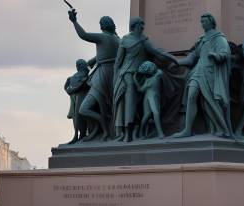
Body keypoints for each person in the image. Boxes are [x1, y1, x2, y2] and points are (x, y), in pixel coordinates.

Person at [113, 17, 177, 142]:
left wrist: (173, 58)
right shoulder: (125, 40)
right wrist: (115, 78)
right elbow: (118, 61)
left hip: (141, 75)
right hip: (126, 73)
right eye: (140, 24)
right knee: (130, 90)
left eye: (143, 24)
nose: (143, 27)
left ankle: (135, 129)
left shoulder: (143, 40)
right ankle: (127, 131)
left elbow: (156, 52)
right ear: (134, 26)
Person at [173, 13, 232, 138]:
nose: (202, 24)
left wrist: (216, 56)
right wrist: (176, 62)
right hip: (198, 71)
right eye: (201, 21)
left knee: (212, 102)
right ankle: (187, 129)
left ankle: (220, 127)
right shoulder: (201, 39)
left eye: (204, 21)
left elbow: (225, 53)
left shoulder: (218, 38)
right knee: (191, 95)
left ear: (211, 22)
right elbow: (191, 58)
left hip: (210, 73)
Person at [68, 11, 120, 141]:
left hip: (102, 76)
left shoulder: (103, 37)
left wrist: (74, 21)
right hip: (113, 75)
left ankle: (104, 129)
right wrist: (90, 62)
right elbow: (104, 55)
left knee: (84, 109)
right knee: (106, 107)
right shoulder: (117, 40)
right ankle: (104, 131)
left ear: (102, 26)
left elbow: (83, 35)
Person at [135, 61, 165, 139]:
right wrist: (135, 79)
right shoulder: (149, 79)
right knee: (151, 114)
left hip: (152, 96)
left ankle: (158, 132)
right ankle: (158, 133)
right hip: (150, 97)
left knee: (152, 114)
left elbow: (160, 72)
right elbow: (140, 89)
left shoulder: (156, 76)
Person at [63, 58, 90, 144]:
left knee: (80, 117)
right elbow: (66, 88)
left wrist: (72, 89)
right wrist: (74, 88)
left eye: (78, 65)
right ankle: (78, 135)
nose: (77, 67)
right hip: (77, 100)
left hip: (83, 99)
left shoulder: (85, 76)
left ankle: (80, 135)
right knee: (76, 118)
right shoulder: (73, 77)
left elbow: (67, 88)